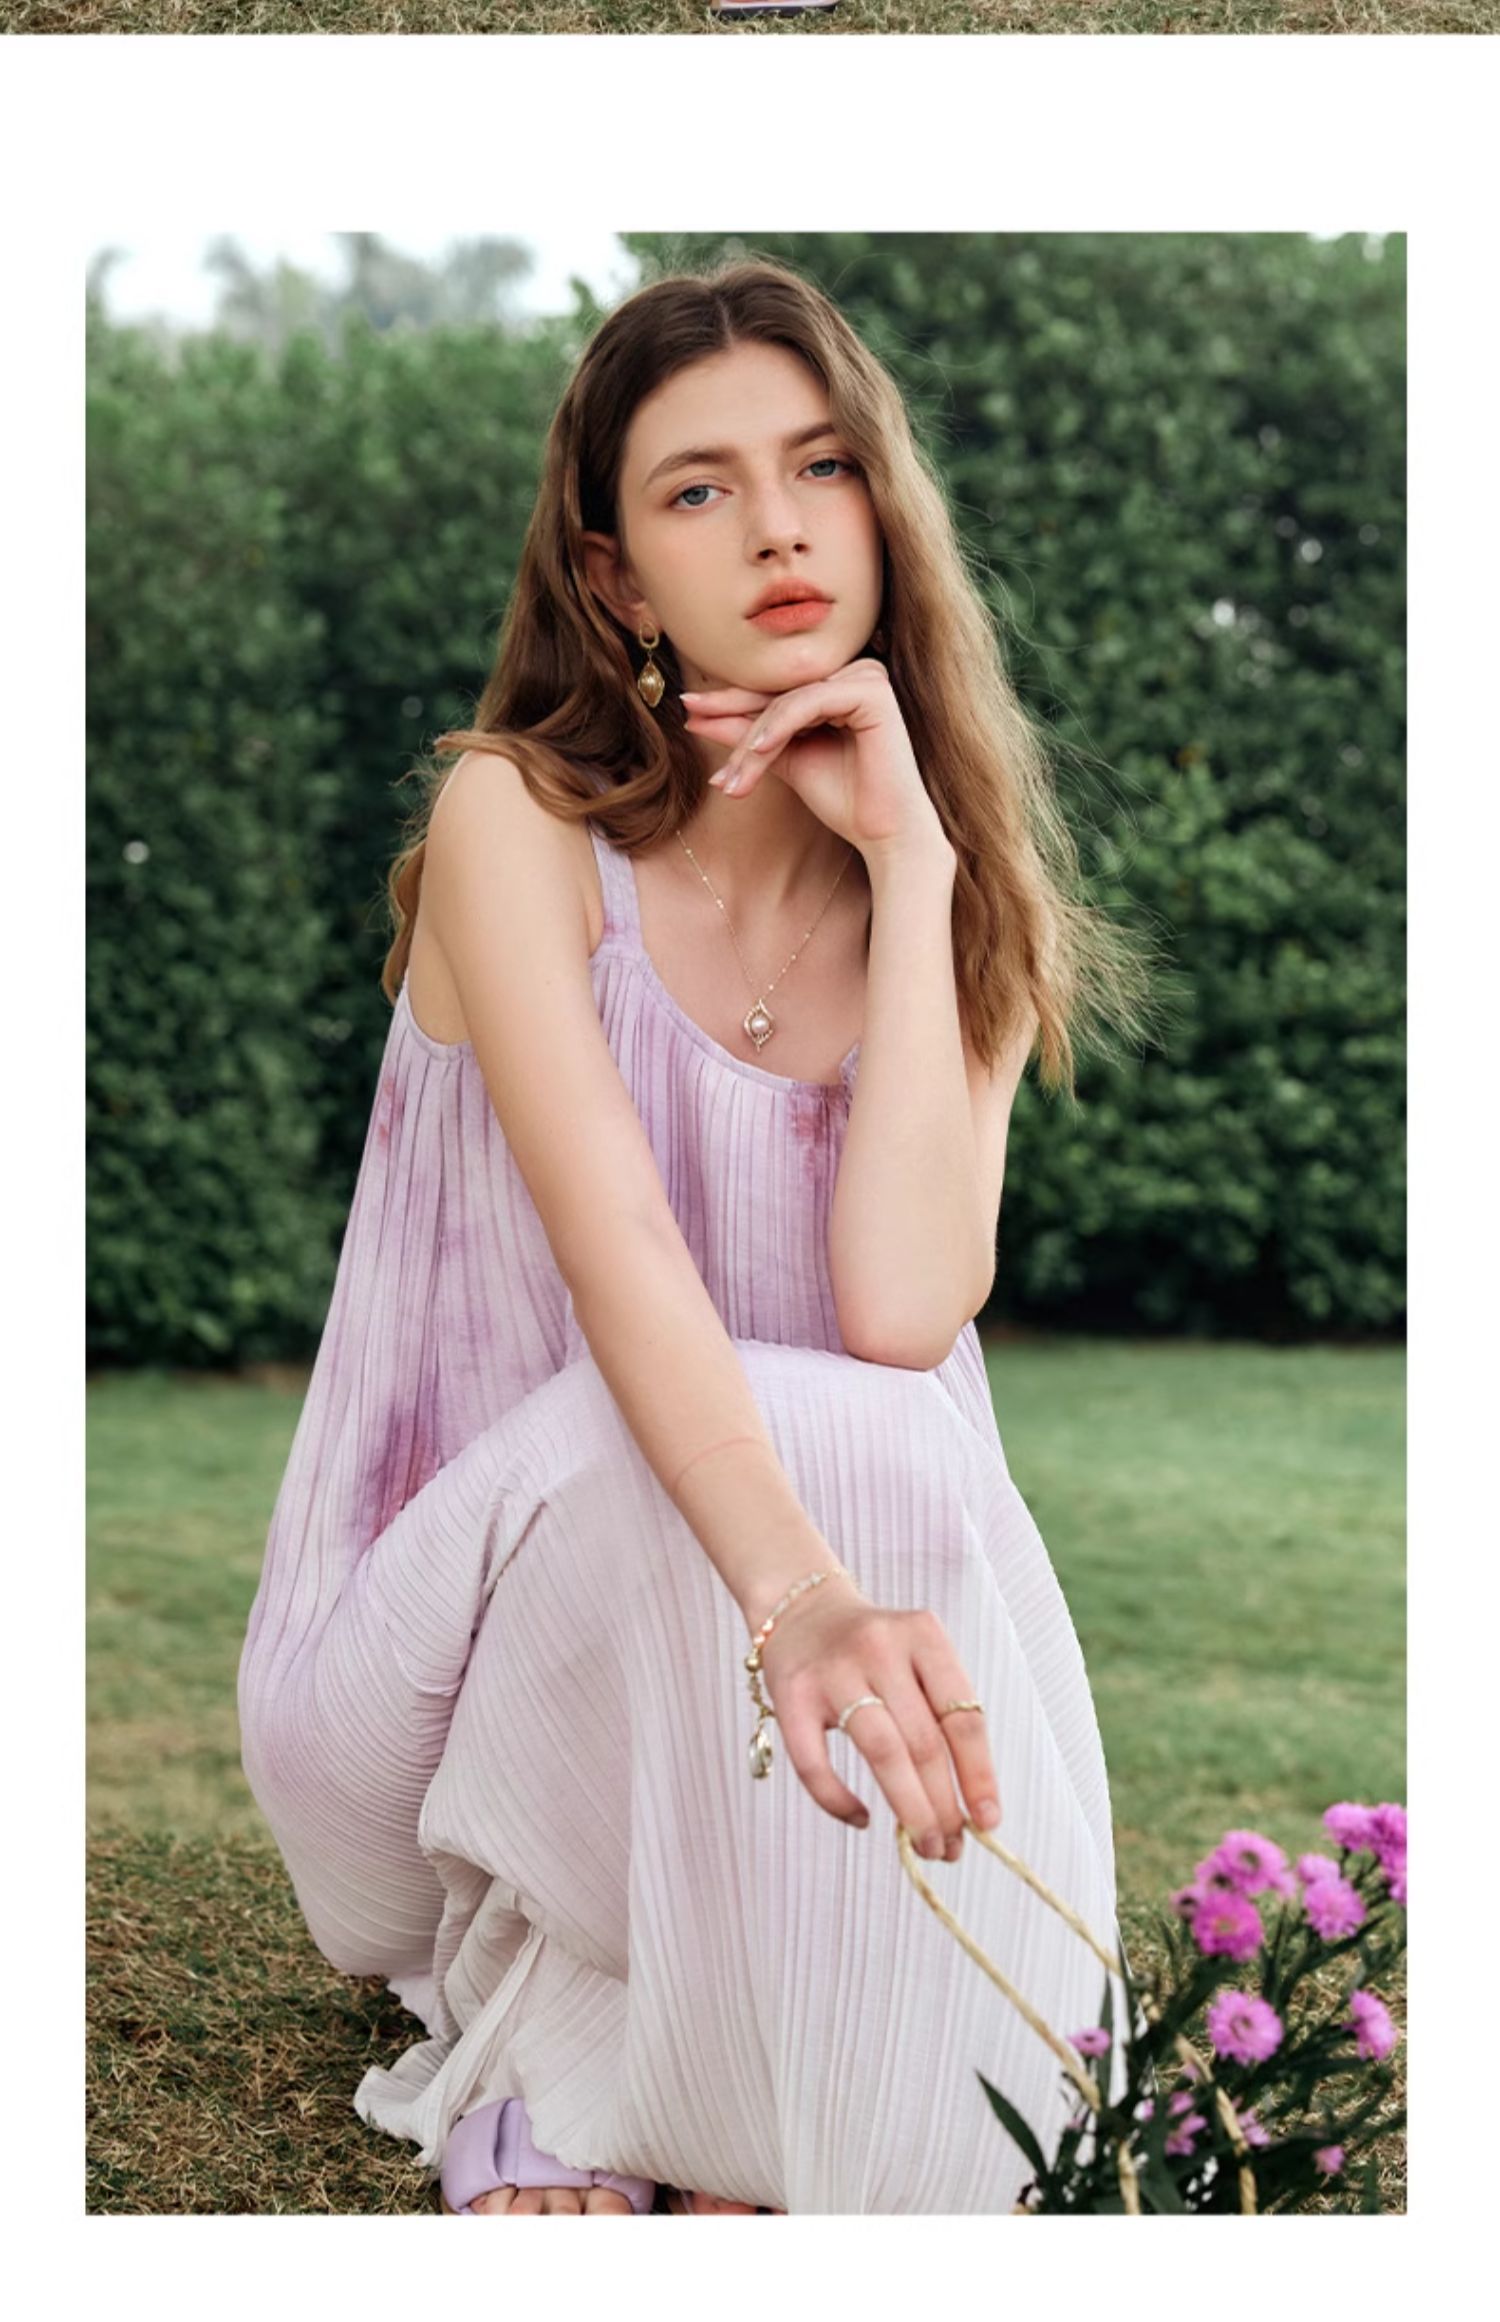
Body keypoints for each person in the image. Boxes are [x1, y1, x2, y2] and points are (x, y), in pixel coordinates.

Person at [237, 256, 1155, 2217]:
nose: (780, 527)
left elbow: (902, 1311)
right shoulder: (514, 826)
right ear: (619, 578)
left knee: (884, 1425)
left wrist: (915, 863)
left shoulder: (953, 899)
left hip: (780, 1644)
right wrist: (804, 1597)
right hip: (436, 1673)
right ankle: (579, 2052)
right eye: (699, 488)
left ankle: (709, 2079)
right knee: (765, 1430)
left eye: (821, 466)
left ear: (884, 509)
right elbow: (626, 1268)